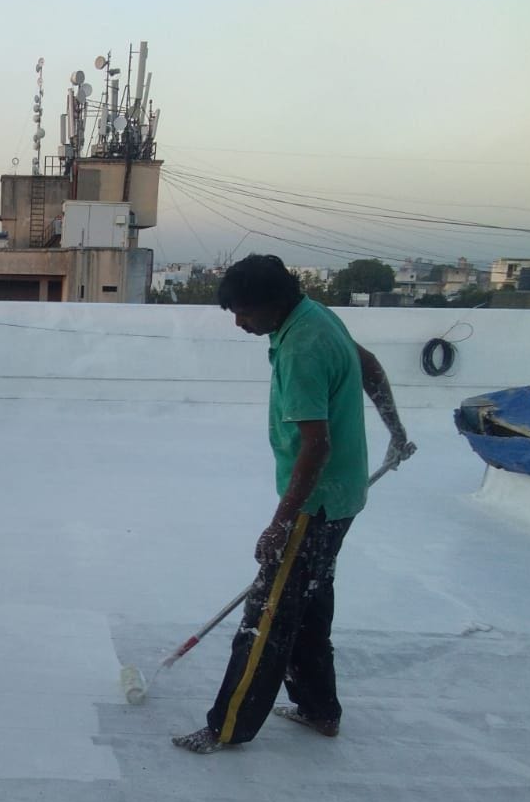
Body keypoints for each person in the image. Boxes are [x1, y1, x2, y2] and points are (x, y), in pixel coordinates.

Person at [172, 255, 415, 754]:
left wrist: (281, 525)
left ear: (271, 303)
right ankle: (318, 709)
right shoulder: (316, 315)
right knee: (307, 603)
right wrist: (396, 430)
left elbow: (316, 445)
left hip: (315, 504)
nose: (239, 322)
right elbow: (366, 364)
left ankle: (227, 725)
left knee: (267, 617)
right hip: (341, 497)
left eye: (243, 312)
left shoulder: (302, 346)